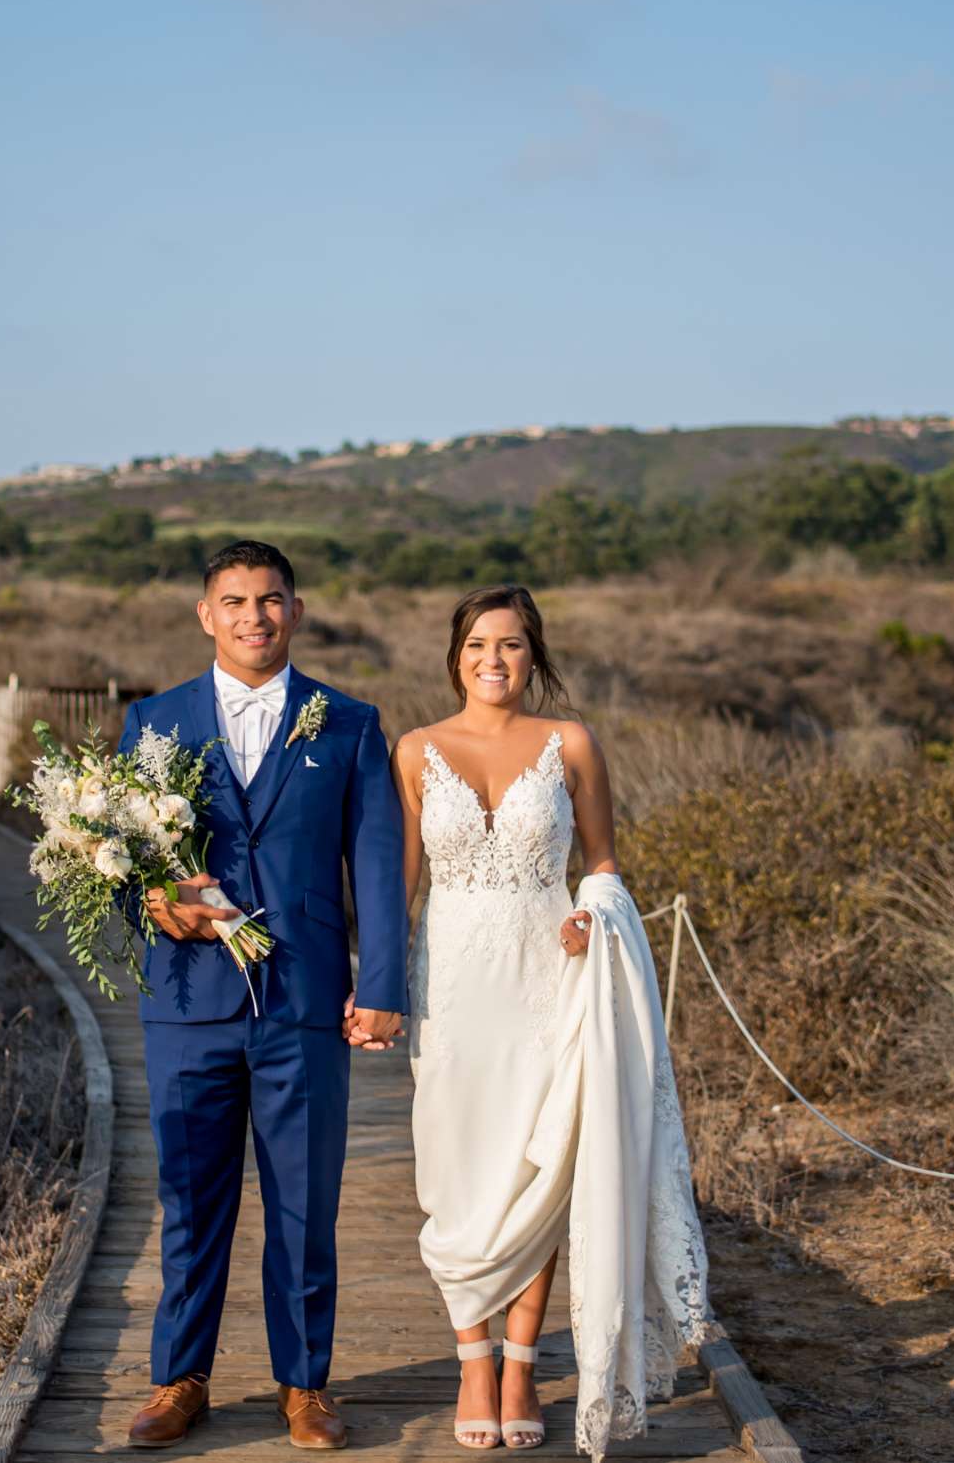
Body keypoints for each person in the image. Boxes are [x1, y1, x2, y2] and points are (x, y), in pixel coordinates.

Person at [394, 584, 714, 1457]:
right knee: (459, 1169)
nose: (492, 661)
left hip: (550, 980)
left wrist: (593, 914)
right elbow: (403, 886)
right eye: (476, 646)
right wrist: (374, 986)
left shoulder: (571, 743)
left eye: (511, 646)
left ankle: (522, 1363)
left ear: (535, 656)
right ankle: (471, 1355)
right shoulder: (415, 750)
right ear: (454, 656)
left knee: (543, 1169)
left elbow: (603, 864)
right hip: (453, 991)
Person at [118, 540, 408, 1451]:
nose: (254, 616)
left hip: (303, 1003)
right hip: (187, 1001)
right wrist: (155, 904)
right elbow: (119, 858)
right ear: (206, 615)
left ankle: (306, 1386)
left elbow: (377, 864)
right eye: (235, 601)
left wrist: (386, 983)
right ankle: (179, 1380)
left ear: (298, 610)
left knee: (304, 1201)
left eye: (271, 599)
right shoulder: (152, 721)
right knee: (191, 1199)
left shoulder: (350, 723)